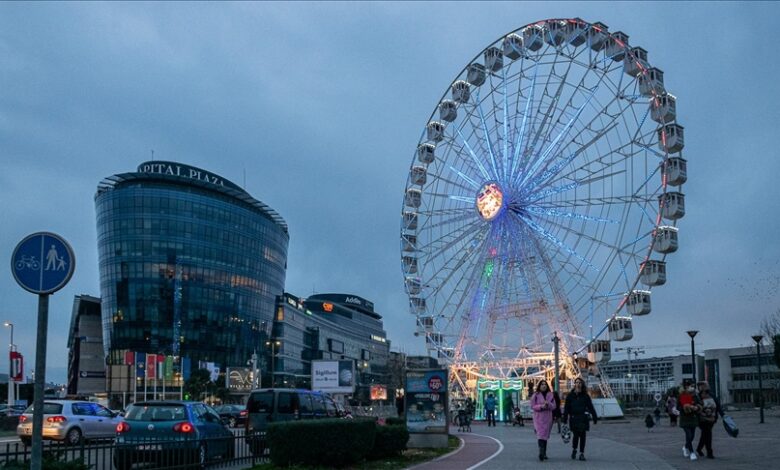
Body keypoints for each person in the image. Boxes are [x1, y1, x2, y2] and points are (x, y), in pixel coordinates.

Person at [563, 377, 598, 461]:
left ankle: (582, 453)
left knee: (583, 436)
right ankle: (574, 449)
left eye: (580, 383)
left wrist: (594, 417)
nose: (578, 384)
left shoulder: (585, 396)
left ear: (582, 385)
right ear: (574, 384)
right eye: (577, 382)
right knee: (575, 436)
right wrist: (564, 419)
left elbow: (590, 407)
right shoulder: (570, 396)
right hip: (574, 418)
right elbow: (566, 408)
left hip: (583, 418)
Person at [531, 380, 556, 461]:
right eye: (542, 384)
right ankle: (541, 452)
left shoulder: (550, 395)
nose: (544, 386)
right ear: (539, 386)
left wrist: (548, 404)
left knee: (545, 436)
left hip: (548, 418)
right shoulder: (535, 395)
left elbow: (554, 406)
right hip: (538, 418)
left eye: (545, 384)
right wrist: (541, 406)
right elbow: (533, 406)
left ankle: (544, 452)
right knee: (540, 435)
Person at [696, 382, 721, 459]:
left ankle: (699, 449)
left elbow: (718, 406)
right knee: (708, 434)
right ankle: (709, 452)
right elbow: (696, 407)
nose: (704, 387)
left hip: (711, 418)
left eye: (705, 385)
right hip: (702, 419)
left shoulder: (712, 395)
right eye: (702, 386)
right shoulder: (698, 397)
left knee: (705, 435)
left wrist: (723, 415)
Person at [678, 381, 702, 461]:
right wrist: (686, 407)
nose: (691, 387)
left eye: (692, 386)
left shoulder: (695, 396)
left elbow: (700, 404)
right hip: (684, 419)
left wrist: (696, 407)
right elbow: (678, 407)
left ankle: (685, 447)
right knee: (688, 435)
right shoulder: (681, 396)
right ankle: (692, 452)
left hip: (693, 418)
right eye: (689, 386)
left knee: (692, 436)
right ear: (685, 388)